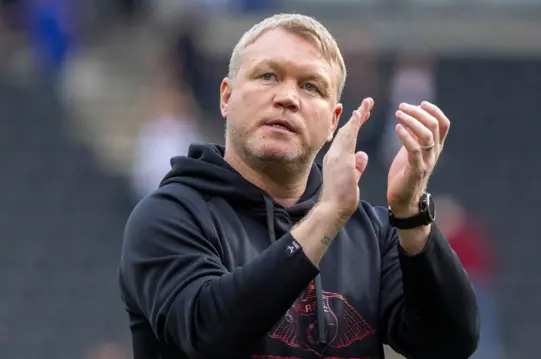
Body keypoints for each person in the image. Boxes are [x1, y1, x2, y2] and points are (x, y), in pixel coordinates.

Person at [119, 13, 479, 359]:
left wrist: (412, 213)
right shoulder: (168, 216)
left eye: (310, 86)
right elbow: (209, 336)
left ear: (332, 122)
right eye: (267, 76)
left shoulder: (372, 235)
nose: (287, 97)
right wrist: (326, 218)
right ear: (226, 97)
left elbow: (448, 345)